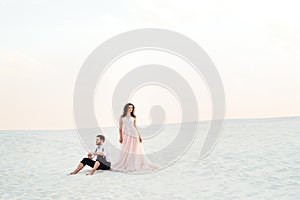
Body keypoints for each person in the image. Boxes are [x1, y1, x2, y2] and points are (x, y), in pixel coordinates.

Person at [111, 103, 157, 172]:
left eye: (132, 108)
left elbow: (135, 126)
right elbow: (120, 128)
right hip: (126, 135)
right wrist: (120, 137)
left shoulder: (134, 117)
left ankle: (135, 163)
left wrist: (139, 136)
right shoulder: (122, 117)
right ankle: (126, 163)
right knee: (126, 149)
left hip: (134, 134)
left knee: (134, 149)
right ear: (126, 108)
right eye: (129, 107)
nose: (130, 109)